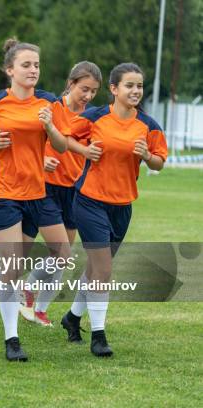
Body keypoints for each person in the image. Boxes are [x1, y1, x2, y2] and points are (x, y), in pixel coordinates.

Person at [0, 38, 70, 362]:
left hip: (38, 192)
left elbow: (63, 146)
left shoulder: (49, 102)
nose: (33, 70)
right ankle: (12, 340)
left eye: (36, 65)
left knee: (62, 254)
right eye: (26, 65)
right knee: (12, 266)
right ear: (10, 70)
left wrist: (49, 125)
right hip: (3, 192)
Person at [60, 62, 167, 357]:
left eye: (140, 86)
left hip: (122, 206)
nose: (136, 91)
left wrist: (147, 156)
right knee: (104, 269)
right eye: (129, 85)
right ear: (114, 89)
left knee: (96, 268)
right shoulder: (93, 117)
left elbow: (159, 160)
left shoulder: (149, 125)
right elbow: (64, 138)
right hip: (89, 200)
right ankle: (98, 335)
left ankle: (71, 317)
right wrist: (83, 150)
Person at [20, 61, 102, 326]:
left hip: (74, 191)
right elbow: (29, 142)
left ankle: (40, 309)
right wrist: (42, 160)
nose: (88, 96)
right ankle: (27, 289)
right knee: (60, 253)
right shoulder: (51, 108)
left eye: (93, 92)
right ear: (71, 83)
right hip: (45, 188)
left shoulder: (91, 118)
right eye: (84, 89)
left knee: (61, 259)